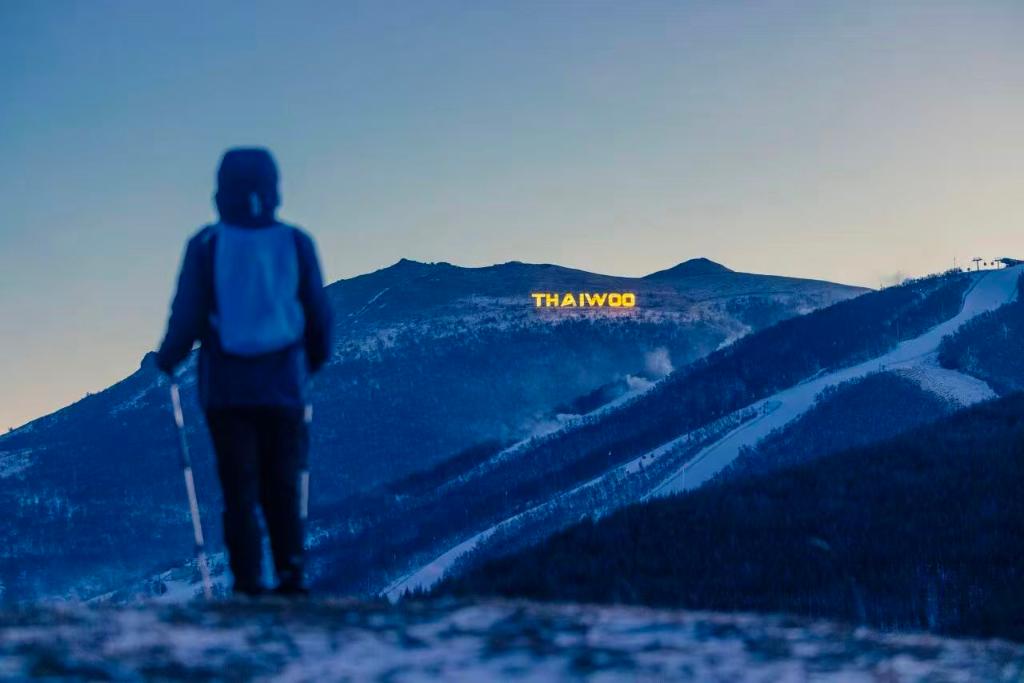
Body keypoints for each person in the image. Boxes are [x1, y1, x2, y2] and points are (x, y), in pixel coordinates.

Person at [154, 148, 332, 596]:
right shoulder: (295, 242)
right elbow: (317, 313)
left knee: (239, 488)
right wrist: (312, 361)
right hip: (285, 386)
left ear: (221, 192)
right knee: (283, 483)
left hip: (226, 389)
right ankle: (291, 576)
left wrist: (168, 357)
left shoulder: (207, 244)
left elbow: (188, 312)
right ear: (273, 189)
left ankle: (248, 583)